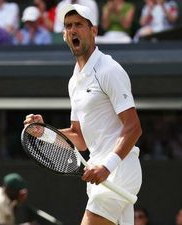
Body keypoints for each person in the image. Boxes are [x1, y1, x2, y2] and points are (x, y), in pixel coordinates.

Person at [24, 4, 142, 225]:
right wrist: (44, 133)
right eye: (68, 26)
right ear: (64, 35)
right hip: (98, 175)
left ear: (93, 31)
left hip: (119, 171)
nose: (73, 30)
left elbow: (134, 128)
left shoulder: (109, 70)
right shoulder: (75, 80)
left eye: (79, 24)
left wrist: (107, 167)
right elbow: (79, 138)